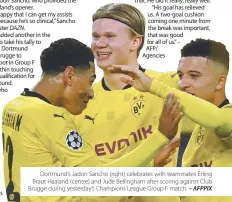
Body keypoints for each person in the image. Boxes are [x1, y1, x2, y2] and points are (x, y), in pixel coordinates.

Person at [2, 38, 180, 202]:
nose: (92, 92)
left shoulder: (15, 106)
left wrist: (149, 166)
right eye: (90, 80)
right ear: (69, 75)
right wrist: (160, 136)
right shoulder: (50, 116)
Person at [75, 3, 185, 202]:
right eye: (96, 36)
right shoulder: (78, 104)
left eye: (110, 36)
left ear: (135, 42)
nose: (99, 44)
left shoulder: (170, 84)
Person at [109, 38, 232, 202]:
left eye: (194, 76)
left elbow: (218, 120)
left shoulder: (224, 118)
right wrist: (151, 166)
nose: (182, 83)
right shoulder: (197, 130)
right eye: (181, 76)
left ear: (220, 81)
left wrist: (154, 86)